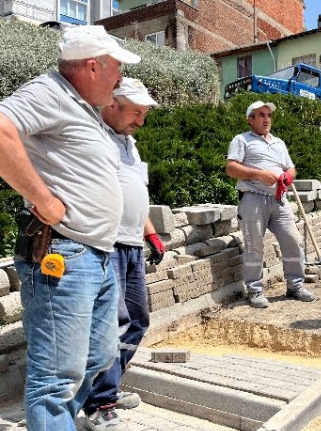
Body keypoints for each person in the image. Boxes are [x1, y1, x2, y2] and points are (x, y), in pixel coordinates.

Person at [0, 25, 140, 430]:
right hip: (64, 254)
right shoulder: (49, 92)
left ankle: (54, 420)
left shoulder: (82, 107)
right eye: (116, 69)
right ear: (93, 66)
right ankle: (51, 417)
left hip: (95, 255)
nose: (120, 79)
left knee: (99, 356)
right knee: (54, 380)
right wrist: (43, 199)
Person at [81, 78, 164, 430]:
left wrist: (151, 232)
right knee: (110, 325)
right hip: (105, 244)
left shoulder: (130, 143)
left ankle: (107, 389)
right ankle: (101, 404)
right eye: (136, 113)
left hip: (131, 243)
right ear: (112, 104)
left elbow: (133, 193)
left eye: (144, 114)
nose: (140, 121)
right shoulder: (95, 136)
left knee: (138, 319)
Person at [226, 101, 317, 308]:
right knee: (254, 245)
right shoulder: (242, 140)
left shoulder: (279, 143)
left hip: (279, 199)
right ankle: (255, 290)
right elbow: (231, 168)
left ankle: (295, 286)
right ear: (251, 120)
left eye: (268, 115)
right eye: (261, 115)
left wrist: (287, 177)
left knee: (293, 239)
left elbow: (291, 168)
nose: (266, 119)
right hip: (253, 198)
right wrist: (260, 174)